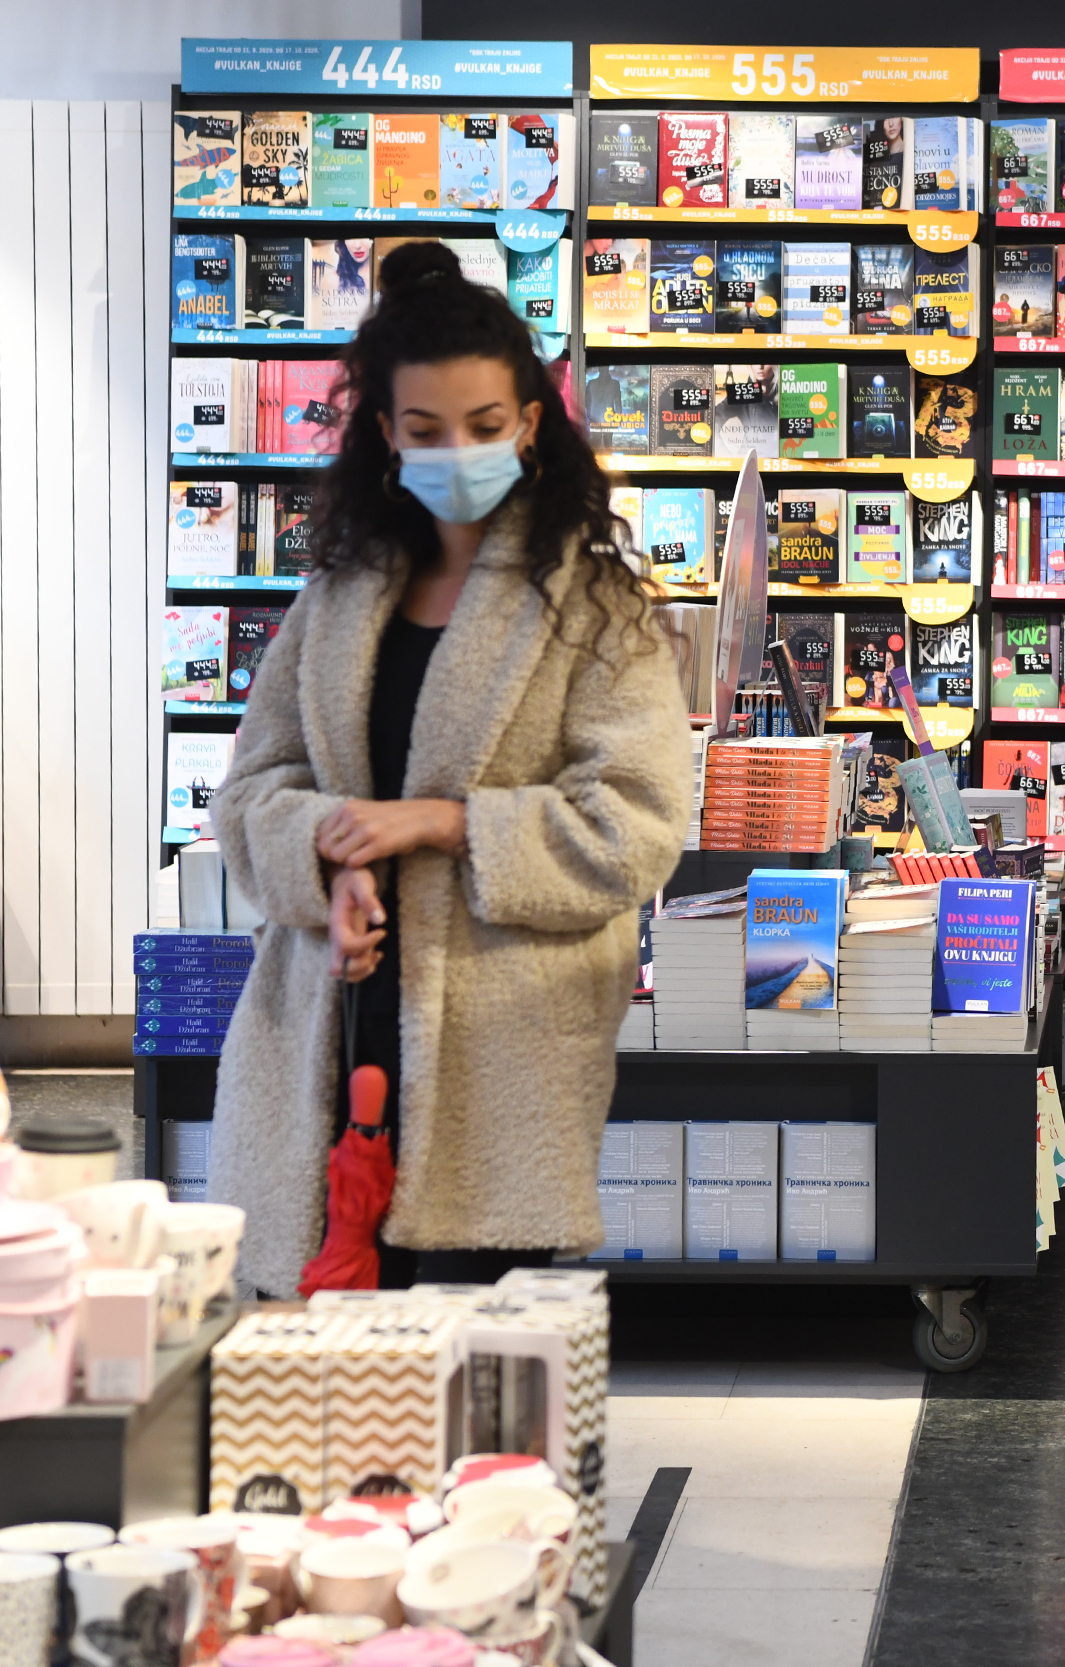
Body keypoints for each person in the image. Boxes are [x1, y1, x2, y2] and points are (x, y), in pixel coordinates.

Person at [208, 241, 694, 1296]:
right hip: (327, 1026)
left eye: (484, 425)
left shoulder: (595, 608)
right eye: (425, 430)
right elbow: (250, 790)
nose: (457, 453)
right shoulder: (338, 598)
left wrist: (439, 823)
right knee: (333, 1347)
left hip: (499, 1052)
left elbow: (637, 823)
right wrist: (331, 860)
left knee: (476, 1353)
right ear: (386, 433)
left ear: (530, 423)